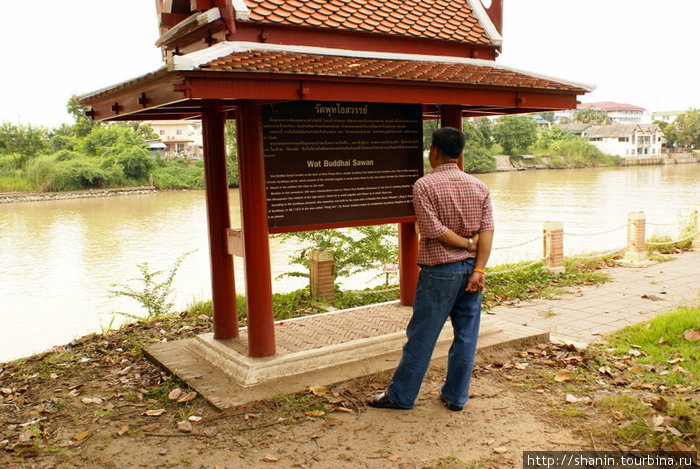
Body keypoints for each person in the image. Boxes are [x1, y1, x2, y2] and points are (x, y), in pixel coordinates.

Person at [368, 126, 494, 411]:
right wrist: (479, 269)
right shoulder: (480, 187)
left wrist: (462, 243)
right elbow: (487, 231)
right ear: (460, 154)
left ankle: (401, 396)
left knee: (422, 337)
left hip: (440, 272)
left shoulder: (424, 186)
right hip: (472, 272)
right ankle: (456, 397)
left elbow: (432, 229)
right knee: (466, 337)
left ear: (433, 152)